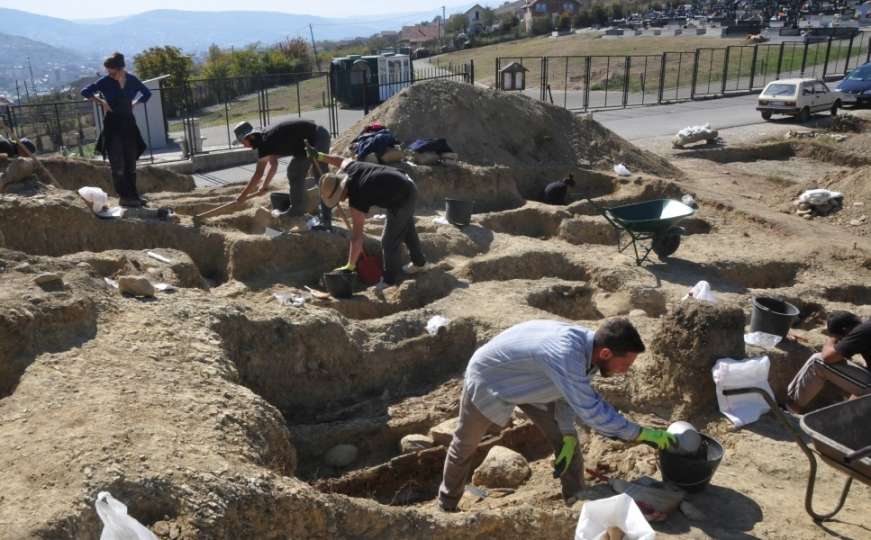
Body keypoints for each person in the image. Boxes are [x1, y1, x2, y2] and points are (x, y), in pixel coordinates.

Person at [437, 318, 677, 512]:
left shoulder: (589, 350)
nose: (625, 373)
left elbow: (566, 395)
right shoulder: (567, 353)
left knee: (568, 444)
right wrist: (641, 433)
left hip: (536, 381)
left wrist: (567, 432)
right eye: (624, 365)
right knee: (465, 444)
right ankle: (447, 505)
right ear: (605, 353)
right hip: (491, 378)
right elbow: (592, 411)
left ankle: (576, 504)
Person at [315, 152, 431, 290]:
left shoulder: (357, 197)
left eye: (338, 197)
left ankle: (389, 280)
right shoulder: (352, 168)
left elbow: (357, 236)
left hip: (403, 196)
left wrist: (350, 265)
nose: (340, 200)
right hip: (404, 183)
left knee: (388, 241)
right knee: (406, 228)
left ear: (342, 189)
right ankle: (420, 263)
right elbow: (339, 160)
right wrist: (320, 156)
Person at [233, 119, 332, 230]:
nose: (243, 146)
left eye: (242, 142)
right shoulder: (263, 138)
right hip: (304, 146)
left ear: (250, 136)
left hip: (317, 138)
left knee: (322, 178)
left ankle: (326, 220)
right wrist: (264, 186)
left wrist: (242, 196)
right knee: (294, 171)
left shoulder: (264, 141)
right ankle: (297, 210)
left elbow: (258, 174)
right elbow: (273, 165)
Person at [82, 52, 151, 208]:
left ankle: (134, 196)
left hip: (128, 124)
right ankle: (124, 197)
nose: (109, 74)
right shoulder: (105, 81)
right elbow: (85, 91)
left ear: (121, 68)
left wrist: (135, 103)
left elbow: (147, 94)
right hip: (113, 125)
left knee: (131, 164)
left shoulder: (132, 80)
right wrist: (101, 102)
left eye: (112, 71)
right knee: (118, 165)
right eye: (108, 71)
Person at [786, 311, 871, 412]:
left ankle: (791, 409)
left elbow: (827, 357)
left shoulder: (863, 330)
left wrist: (833, 337)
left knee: (817, 362)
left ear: (846, 330)